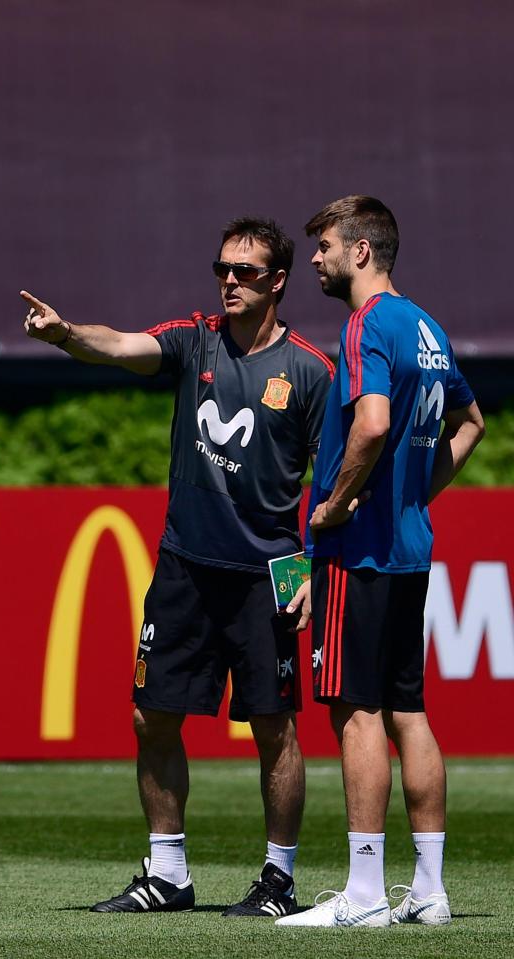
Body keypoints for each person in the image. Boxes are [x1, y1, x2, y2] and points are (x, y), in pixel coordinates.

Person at [20, 217, 334, 916]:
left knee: (275, 726)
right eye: (222, 267)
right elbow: (122, 346)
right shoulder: (196, 341)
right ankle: (168, 873)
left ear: (277, 281)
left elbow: (342, 478)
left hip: (271, 573)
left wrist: (313, 563)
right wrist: (68, 333)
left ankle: (279, 880)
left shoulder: (312, 371)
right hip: (184, 566)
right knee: (150, 715)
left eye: (245, 271)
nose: (228, 279)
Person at [276, 196, 485, 930]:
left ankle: (364, 894)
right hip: (409, 548)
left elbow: (371, 423)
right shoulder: (426, 326)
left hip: (358, 553)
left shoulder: (367, 323)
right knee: (409, 709)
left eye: (326, 246)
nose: (317, 259)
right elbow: (473, 421)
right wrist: (415, 492)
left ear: (361, 251)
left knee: (355, 710)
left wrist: (333, 502)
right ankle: (428, 890)